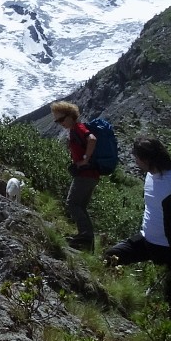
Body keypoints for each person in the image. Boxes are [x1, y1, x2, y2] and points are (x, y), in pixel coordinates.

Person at [105, 136, 171, 317]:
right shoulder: (150, 176)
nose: (135, 161)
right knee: (110, 257)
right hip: (146, 240)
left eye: (137, 157)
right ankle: (117, 297)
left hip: (167, 248)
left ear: (146, 159)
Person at [51, 100, 98, 250]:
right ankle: (86, 239)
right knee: (81, 206)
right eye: (57, 121)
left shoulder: (78, 128)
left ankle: (85, 237)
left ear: (71, 115)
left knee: (72, 203)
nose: (60, 123)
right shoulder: (74, 130)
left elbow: (92, 139)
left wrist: (84, 160)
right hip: (91, 175)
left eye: (61, 119)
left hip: (85, 174)